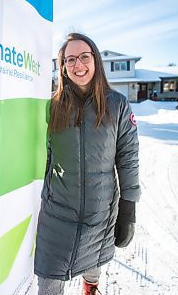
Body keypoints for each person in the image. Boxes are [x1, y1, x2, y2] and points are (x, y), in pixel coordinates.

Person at [35, 33, 141, 295]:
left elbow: (128, 157)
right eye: (70, 59)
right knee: (49, 281)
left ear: (95, 59)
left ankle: (90, 286)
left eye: (84, 56)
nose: (78, 65)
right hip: (57, 209)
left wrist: (128, 208)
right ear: (63, 67)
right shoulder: (52, 106)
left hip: (100, 207)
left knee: (94, 260)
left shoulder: (117, 104)